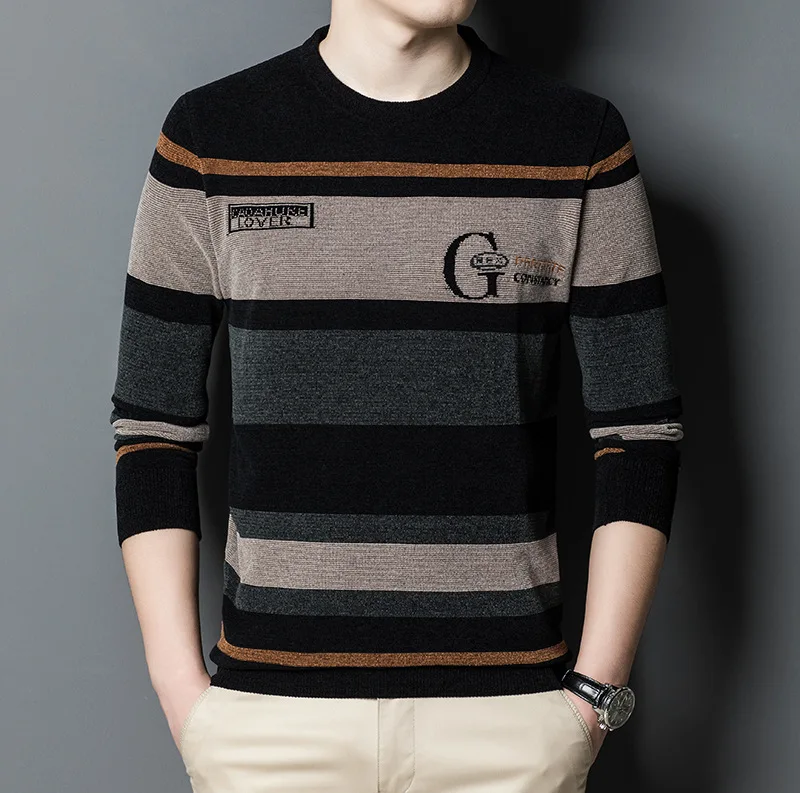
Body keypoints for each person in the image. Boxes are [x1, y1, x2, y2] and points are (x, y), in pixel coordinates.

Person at [109, 1, 684, 791]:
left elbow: (641, 433)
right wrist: (186, 699)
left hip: (509, 728)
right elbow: (153, 430)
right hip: (271, 726)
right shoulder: (213, 135)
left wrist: (591, 698)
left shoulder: (577, 140)